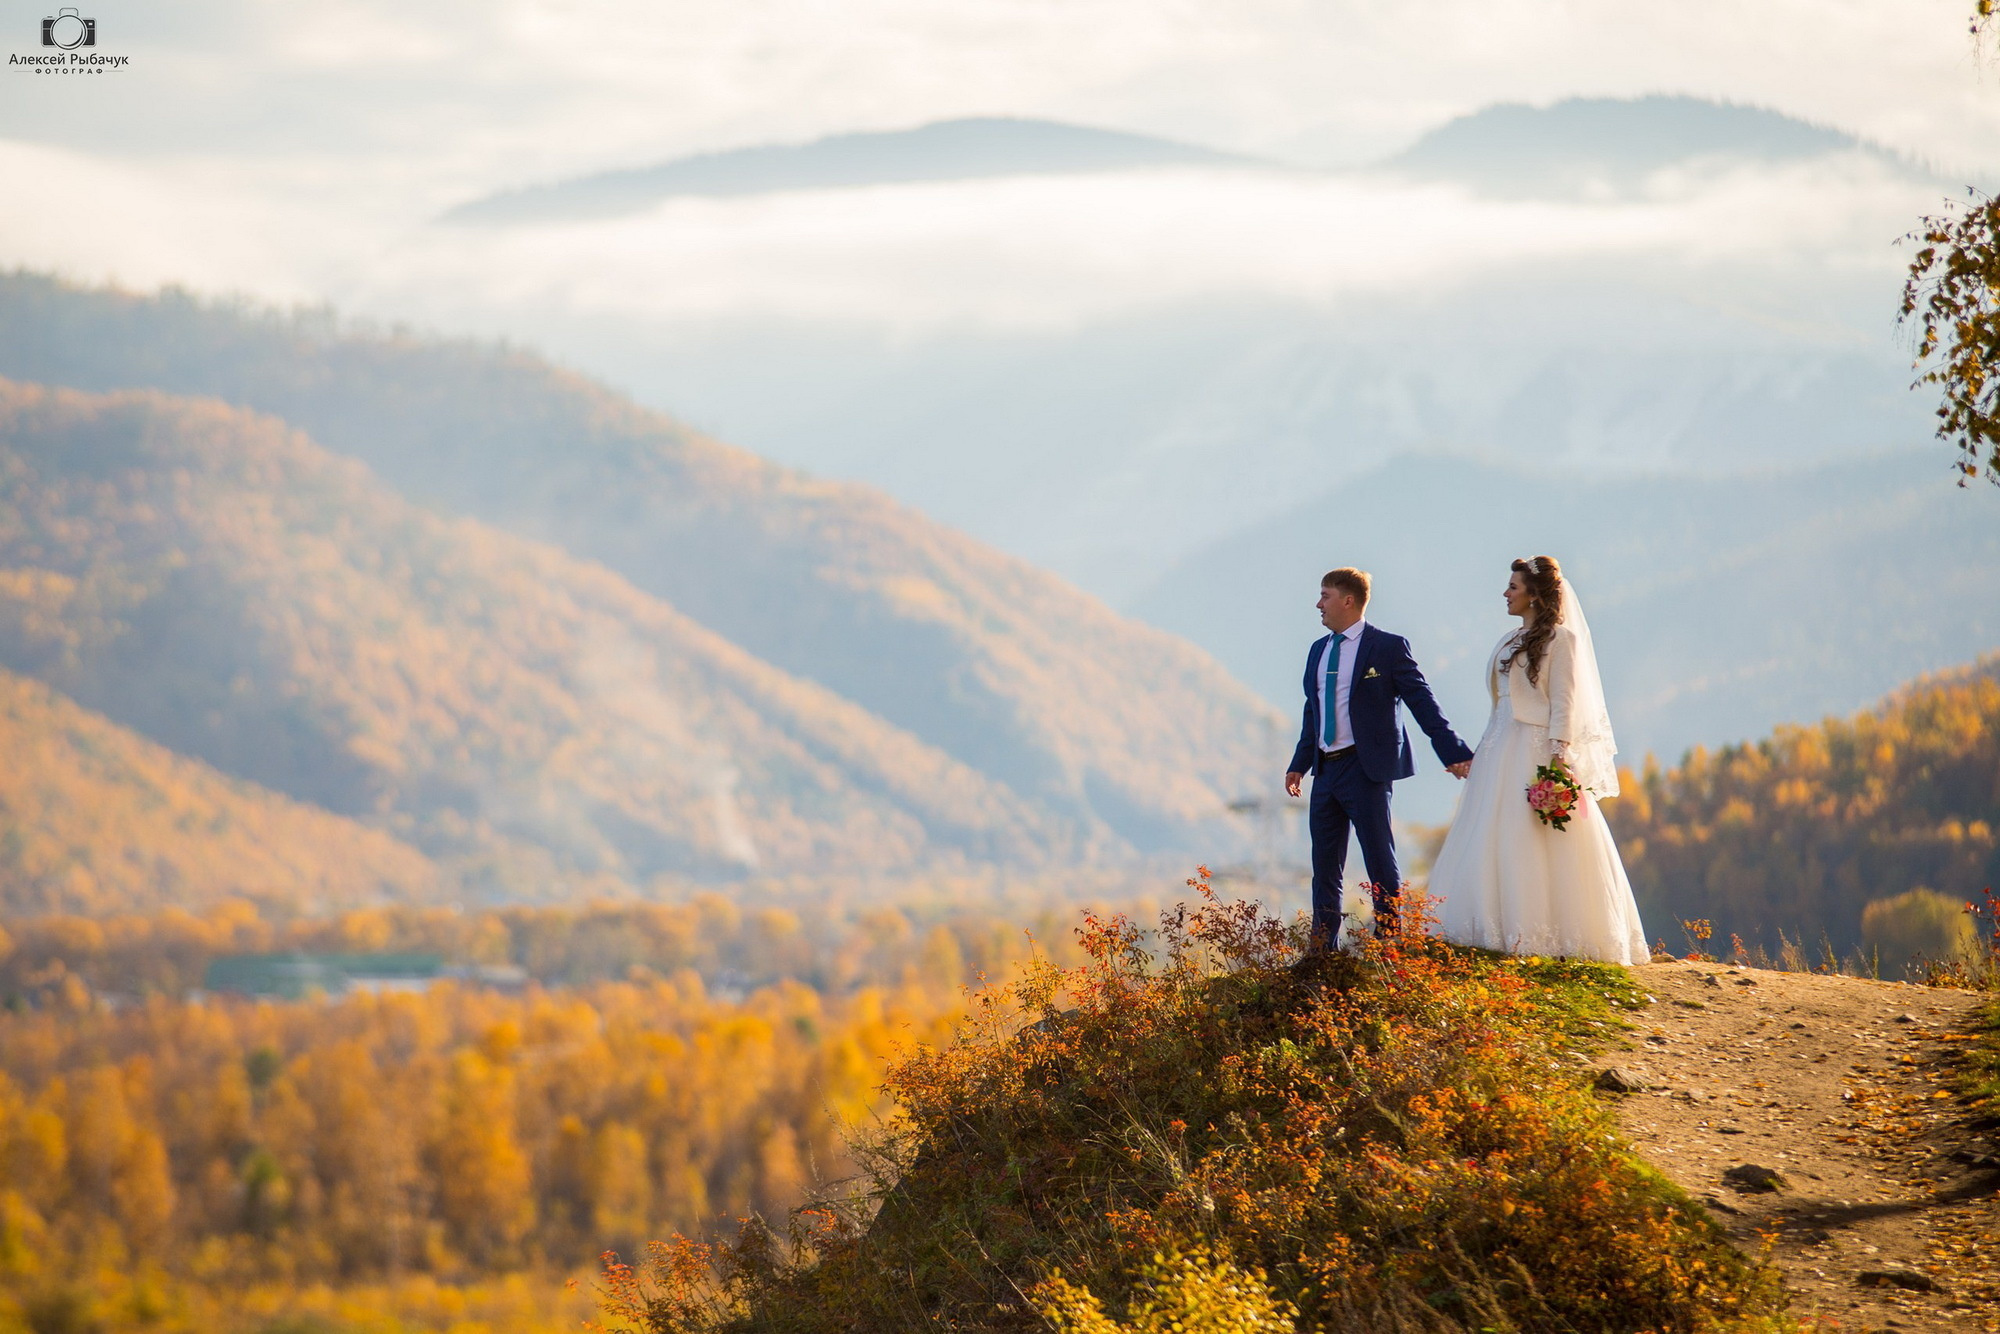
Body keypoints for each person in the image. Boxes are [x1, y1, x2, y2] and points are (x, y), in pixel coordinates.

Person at [1428, 556, 1648, 965]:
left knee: (1532, 835)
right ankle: (1488, 926)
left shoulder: (1562, 640)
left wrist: (1559, 757)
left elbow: (1564, 701)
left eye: (1513, 587)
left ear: (1534, 594)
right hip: (1498, 741)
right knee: (1488, 830)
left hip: (1533, 745)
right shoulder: (1509, 639)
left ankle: (1544, 931)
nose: (1506, 593)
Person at [1286, 567, 1473, 949]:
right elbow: (1314, 710)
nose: (1318, 604)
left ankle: (1390, 944)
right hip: (1325, 770)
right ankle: (1322, 951)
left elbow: (1422, 701)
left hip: (1366, 770)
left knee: (1378, 859)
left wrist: (1452, 749)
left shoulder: (1387, 647)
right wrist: (1299, 763)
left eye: (1325, 596)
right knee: (1324, 867)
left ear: (1348, 600)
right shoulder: (1318, 651)